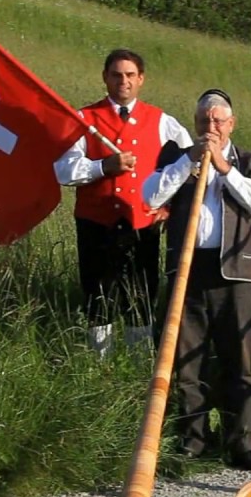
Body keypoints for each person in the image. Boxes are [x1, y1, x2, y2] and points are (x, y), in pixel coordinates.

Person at [141, 89, 251, 472]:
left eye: (218, 121)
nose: (211, 127)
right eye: (204, 120)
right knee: (185, 358)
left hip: (235, 271)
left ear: (231, 124)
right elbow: (150, 196)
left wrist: (223, 167)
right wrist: (188, 160)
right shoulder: (175, 155)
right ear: (195, 123)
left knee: (239, 359)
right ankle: (193, 439)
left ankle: (242, 443)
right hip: (187, 267)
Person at [54, 48, 193, 357]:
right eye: (116, 75)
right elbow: (63, 169)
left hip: (142, 223)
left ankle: (138, 364)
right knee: (97, 294)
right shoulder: (84, 119)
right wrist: (102, 167)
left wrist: (170, 207)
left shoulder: (162, 121)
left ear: (141, 79)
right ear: (105, 77)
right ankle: (98, 364)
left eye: (130, 75)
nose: (123, 81)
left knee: (141, 294)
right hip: (96, 222)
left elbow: (188, 164)